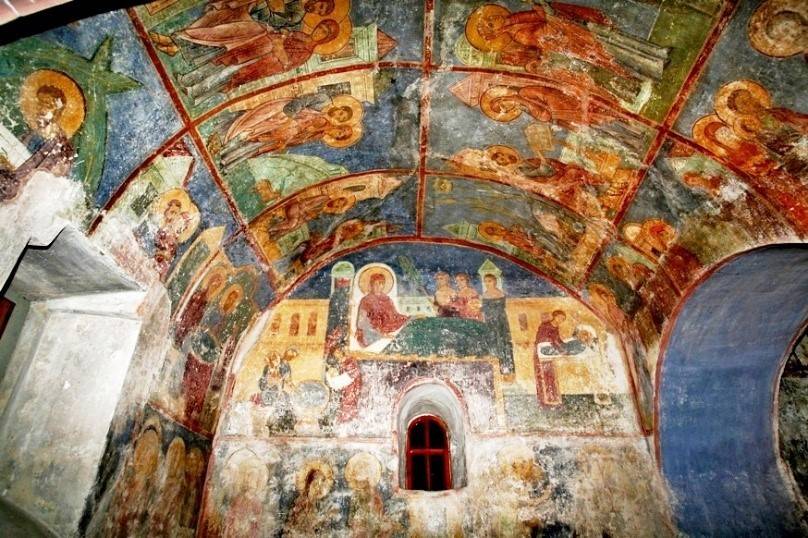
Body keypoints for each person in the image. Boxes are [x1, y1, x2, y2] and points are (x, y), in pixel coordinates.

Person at [355, 273, 409, 347]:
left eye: (381, 284)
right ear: (371, 285)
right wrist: (379, 334)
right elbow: (361, 322)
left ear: (383, 285)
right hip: (371, 332)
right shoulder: (366, 300)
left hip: (388, 329)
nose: (378, 286)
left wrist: (407, 319)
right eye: (375, 284)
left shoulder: (387, 299)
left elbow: (395, 316)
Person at [481, 274, 515, 375]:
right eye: (485, 281)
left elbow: (501, 308)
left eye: (489, 281)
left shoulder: (500, 293)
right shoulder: (485, 295)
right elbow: (485, 310)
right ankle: (495, 369)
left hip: (500, 321)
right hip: (490, 322)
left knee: (503, 342)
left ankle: (507, 368)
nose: (487, 283)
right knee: (492, 343)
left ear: (495, 281)